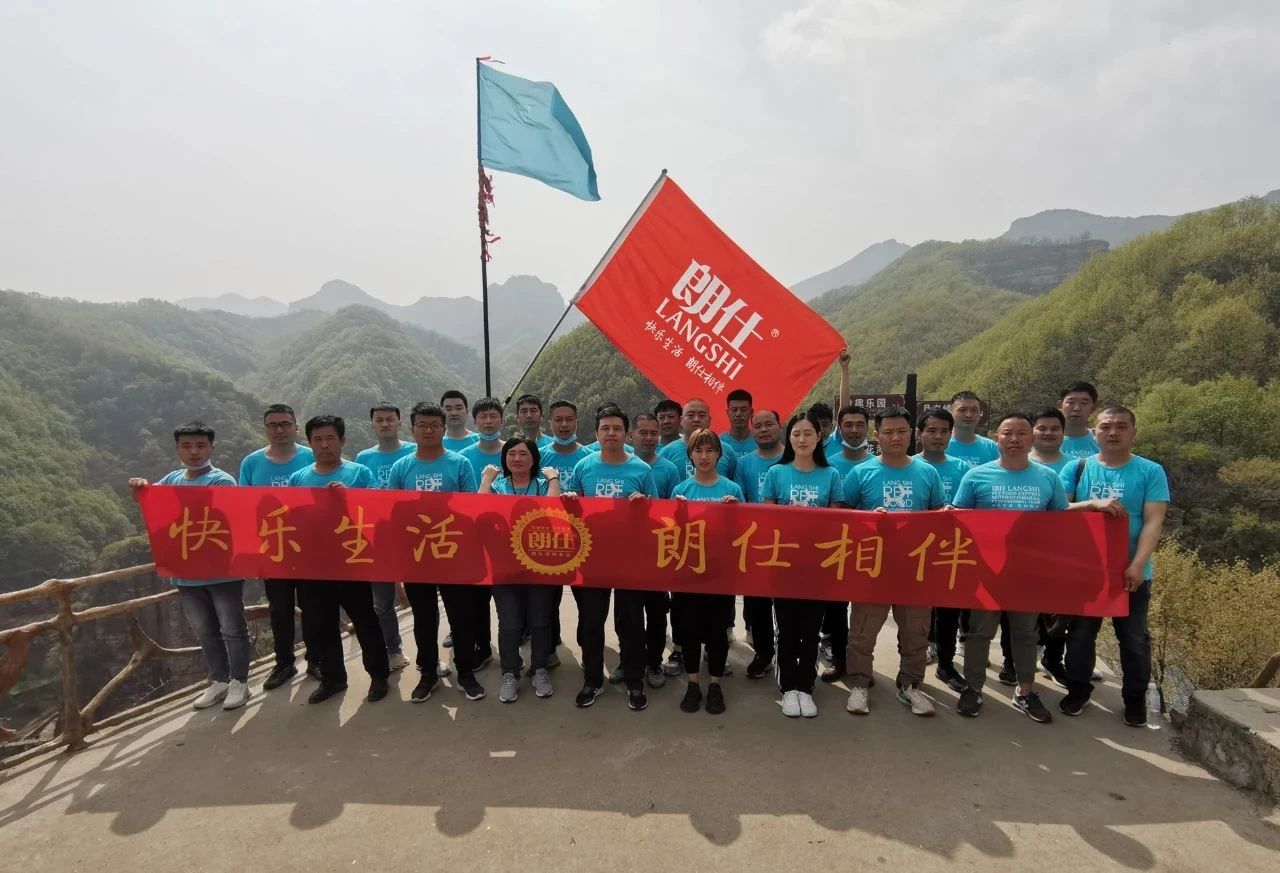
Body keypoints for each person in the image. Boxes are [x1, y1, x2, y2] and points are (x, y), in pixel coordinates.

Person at [950, 413, 1066, 724]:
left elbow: (1062, 523)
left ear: (1031, 438)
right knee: (978, 634)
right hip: (986, 573)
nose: (1014, 439)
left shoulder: (1048, 478)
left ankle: (1025, 691)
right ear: (996, 438)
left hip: (1027, 574)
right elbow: (958, 520)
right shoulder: (976, 476)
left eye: (1021, 433)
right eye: (1007, 433)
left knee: (1026, 634)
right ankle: (973, 688)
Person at [129, 422, 252, 711]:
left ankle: (239, 682)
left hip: (223, 572)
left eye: (200, 445)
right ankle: (219, 680)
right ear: (177, 449)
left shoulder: (221, 481)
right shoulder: (172, 479)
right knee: (205, 631)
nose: (194, 452)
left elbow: (227, 520)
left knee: (232, 628)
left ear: (211, 448)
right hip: (187, 575)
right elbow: (153, 504)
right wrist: (140, 489)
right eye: (186, 446)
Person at [1060, 405, 1169, 726]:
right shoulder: (1077, 468)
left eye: (1121, 426)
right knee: (1080, 635)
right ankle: (1078, 690)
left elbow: (1153, 521)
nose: (1113, 432)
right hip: (1086, 570)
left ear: (1133, 432)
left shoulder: (1150, 471)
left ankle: (1134, 700)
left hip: (1131, 571)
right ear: (1094, 432)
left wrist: (1138, 564)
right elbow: (1059, 509)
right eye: (1106, 426)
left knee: (1134, 639)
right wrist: (1092, 504)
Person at [843, 406, 946, 717]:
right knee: (862, 632)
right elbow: (843, 517)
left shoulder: (927, 472)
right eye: (888, 432)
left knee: (916, 632)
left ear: (911, 434)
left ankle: (910, 685)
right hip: (873, 567)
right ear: (877, 436)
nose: (895, 437)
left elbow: (939, 516)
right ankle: (859, 684)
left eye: (901, 431)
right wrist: (866, 519)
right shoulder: (861, 472)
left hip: (915, 568)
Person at [287, 415, 390, 705]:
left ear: (342, 440)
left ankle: (378, 675)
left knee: (365, 620)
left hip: (351, 561)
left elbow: (376, 511)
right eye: (317, 440)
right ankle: (333, 678)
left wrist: (349, 498)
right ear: (309, 443)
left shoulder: (359, 473)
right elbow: (292, 520)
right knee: (323, 624)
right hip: (314, 565)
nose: (324, 445)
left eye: (330, 438)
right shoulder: (298, 479)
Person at [388, 403, 488, 702]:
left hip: (453, 552)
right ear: (412, 429)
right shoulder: (401, 467)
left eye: (434, 425)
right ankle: (428, 673)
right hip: (418, 555)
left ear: (444, 429)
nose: (428, 430)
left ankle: (465, 672)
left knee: (461, 616)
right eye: (422, 425)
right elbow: (393, 512)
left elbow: (471, 509)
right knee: (424, 618)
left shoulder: (460, 464)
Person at [565, 405, 658, 710]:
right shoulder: (584, 466)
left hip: (630, 558)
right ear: (596, 433)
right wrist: (571, 501)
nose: (611, 433)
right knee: (591, 622)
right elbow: (573, 510)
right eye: (605, 428)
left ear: (627, 434)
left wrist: (644, 505)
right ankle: (592, 681)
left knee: (631, 622)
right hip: (593, 557)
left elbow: (657, 514)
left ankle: (634, 681)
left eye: (617, 428)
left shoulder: (641, 470)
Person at [762, 411, 844, 719]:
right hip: (784, 565)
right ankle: (788, 688)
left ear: (819, 437)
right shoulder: (776, 473)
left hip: (817, 566)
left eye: (808, 433)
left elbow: (836, 522)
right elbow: (767, 520)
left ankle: (806, 687)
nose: (802, 439)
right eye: (796, 433)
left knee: (811, 630)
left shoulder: (831, 475)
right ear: (789, 438)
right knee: (786, 630)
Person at [238, 403, 320, 689]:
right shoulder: (251, 463)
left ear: (296, 427)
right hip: (273, 549)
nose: (279, 430)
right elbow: (244, 508)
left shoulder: (312, 456)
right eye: (273, 425)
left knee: (312, 606)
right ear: (265, 429)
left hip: (310, 548)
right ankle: (284, 662)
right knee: (280, 609)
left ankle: (316, 659)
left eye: (285, 424)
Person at [478, 437, 562, 703]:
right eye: (511, 453)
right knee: (510, 623)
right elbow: (480, 511)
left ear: (534, 459)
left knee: (540, 621)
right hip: (504, 567)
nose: (517, 459)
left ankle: (540, 669)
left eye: (524, 454)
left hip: (540, 565)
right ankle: (510, 672)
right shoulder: (498, 486)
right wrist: (486, 480)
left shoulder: (543, 485)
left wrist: (554, 480)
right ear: (504, 459)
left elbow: (553, 511)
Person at [671, 428, 742, 715]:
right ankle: (692, 684)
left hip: (720, 574)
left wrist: (735, 512)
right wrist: (678, 514)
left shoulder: (732, 490)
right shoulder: (681, 491)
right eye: (698, 451)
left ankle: (714, 684)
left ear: (719, 455)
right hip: (688, 574)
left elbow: (743, 533)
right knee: (688, 630)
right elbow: (671, 534)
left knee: (716, 632)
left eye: (710, 450)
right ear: (690, 455)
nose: (704, 456)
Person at [354, 402, 415, 673]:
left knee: (421, 598)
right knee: (382, 602)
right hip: (377, 538)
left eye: (390, 419)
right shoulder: (363, 459)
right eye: (379, 420)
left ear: (399, 422)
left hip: (413, 535)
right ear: (372, 425)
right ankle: (393, 650)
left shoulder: (414, 452)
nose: (385, 424)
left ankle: (429, 655)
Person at [916, 407, 972, 691]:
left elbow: (975, 508)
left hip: (953, 551)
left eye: (944, 431)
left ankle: (946, 665)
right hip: (916, 551)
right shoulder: (908, 465)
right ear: (919, 434)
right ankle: (913, 666)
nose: (938, 436)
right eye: (931, 431)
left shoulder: (964, 470)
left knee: (949, 613)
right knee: (916, 612)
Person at [817, 402, 872, 681]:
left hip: (871, 548)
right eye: (848, 425)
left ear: (868, 428)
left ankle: (862, 666)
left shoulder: (878, 464)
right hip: (836, 547)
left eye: (860, 424)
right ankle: (840, 660)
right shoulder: (828, 464)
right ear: (839, 429)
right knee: (837, 608)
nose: (854, 430)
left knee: (866, 611)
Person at [626, 413, 681, 686]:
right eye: (643, 432)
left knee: (657, 613)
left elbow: (673, 512)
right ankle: (628, 661)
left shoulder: (669, 469)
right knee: (628, 615)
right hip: (628, 554)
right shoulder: (622, 465)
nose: (649, 438)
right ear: (631, 435)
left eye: (653, 433)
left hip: (659, 551)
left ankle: (654, 663)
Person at [733, 409, 785, 679]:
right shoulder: (745, 463)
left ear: (780, 426)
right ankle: (764, 653)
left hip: (788, 542)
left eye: (769, 424)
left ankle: (788, 653)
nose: (763, 429)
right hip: (755, 542)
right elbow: (740, 500)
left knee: (787, 603)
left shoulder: (794, 458)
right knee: (757, 605)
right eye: (759, 425)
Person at [660, 398, 738, 481]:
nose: (696, 419)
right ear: (681, 420)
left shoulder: (726, 450)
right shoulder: (667, 452)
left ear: (709, 420)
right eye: (690, 415)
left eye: (702, 415)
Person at [947, 391, 999, 469]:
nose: (969, 415)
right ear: (951, 413)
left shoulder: (991, 447)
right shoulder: (941, 445)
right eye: (962, 410)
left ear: (980, 414)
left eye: (974, 410)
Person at [1059, 381, 1101, 459]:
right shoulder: (1044, 440)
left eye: (1083, 403)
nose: (1076, 408)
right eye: (1071, 402)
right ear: (1060, 405)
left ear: (1093, 408)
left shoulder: (1102, 441)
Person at [1029, 407, 1071, 474]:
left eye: (1055, 429)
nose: (1049, 433)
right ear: (1030, 432)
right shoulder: (1017, 464)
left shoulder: (1079, 465)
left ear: (1063, 432)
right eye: (1042, 429)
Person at [719, 389, 757, 457]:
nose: (738, 414)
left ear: (751, 412)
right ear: (727, 413)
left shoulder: (760, 441)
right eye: (734, 410)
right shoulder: (718, 442)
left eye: (743, 410)